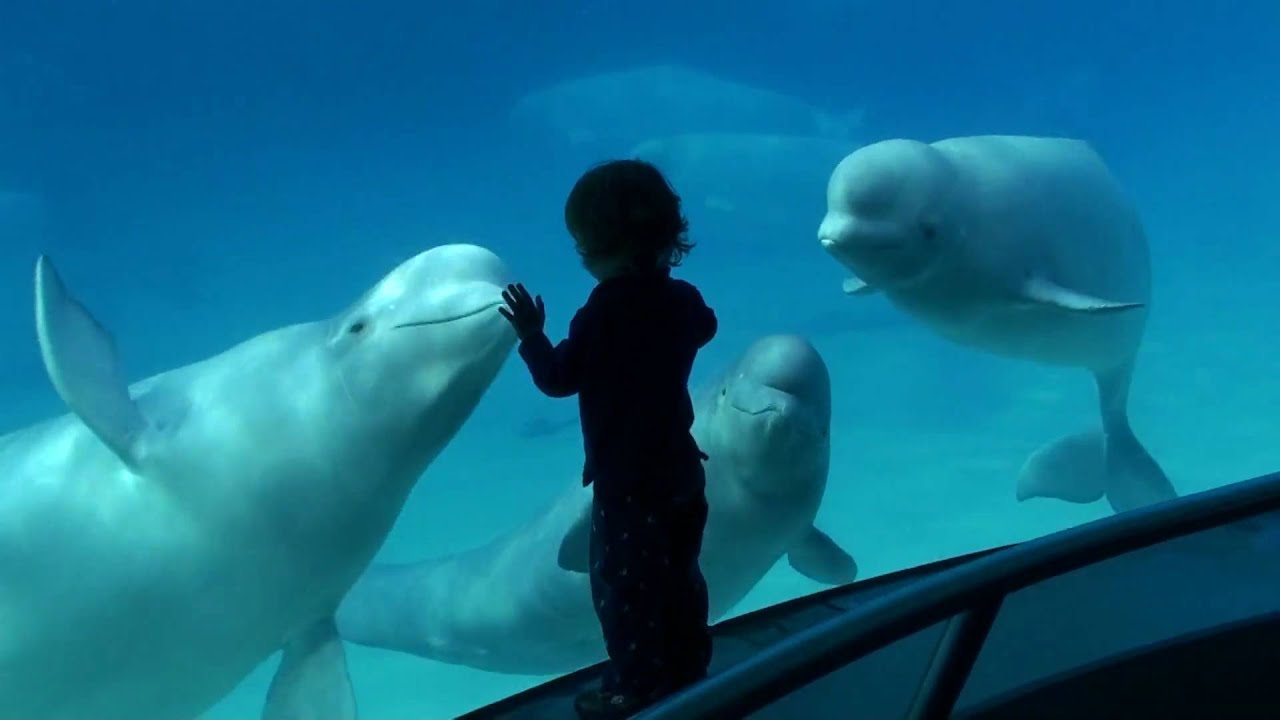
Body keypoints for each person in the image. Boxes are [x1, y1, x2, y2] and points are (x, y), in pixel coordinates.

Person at [498, 159, 718, 718]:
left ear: (594, 250)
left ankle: (636, 688)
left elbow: (557, 380)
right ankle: (690, 665)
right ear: (672, 236)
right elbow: (705, 325)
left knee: (625, 593)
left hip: (629, 485)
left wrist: (531, 336)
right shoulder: (683, 300)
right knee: (679, 574)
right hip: (681, 470)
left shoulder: (600, 315)